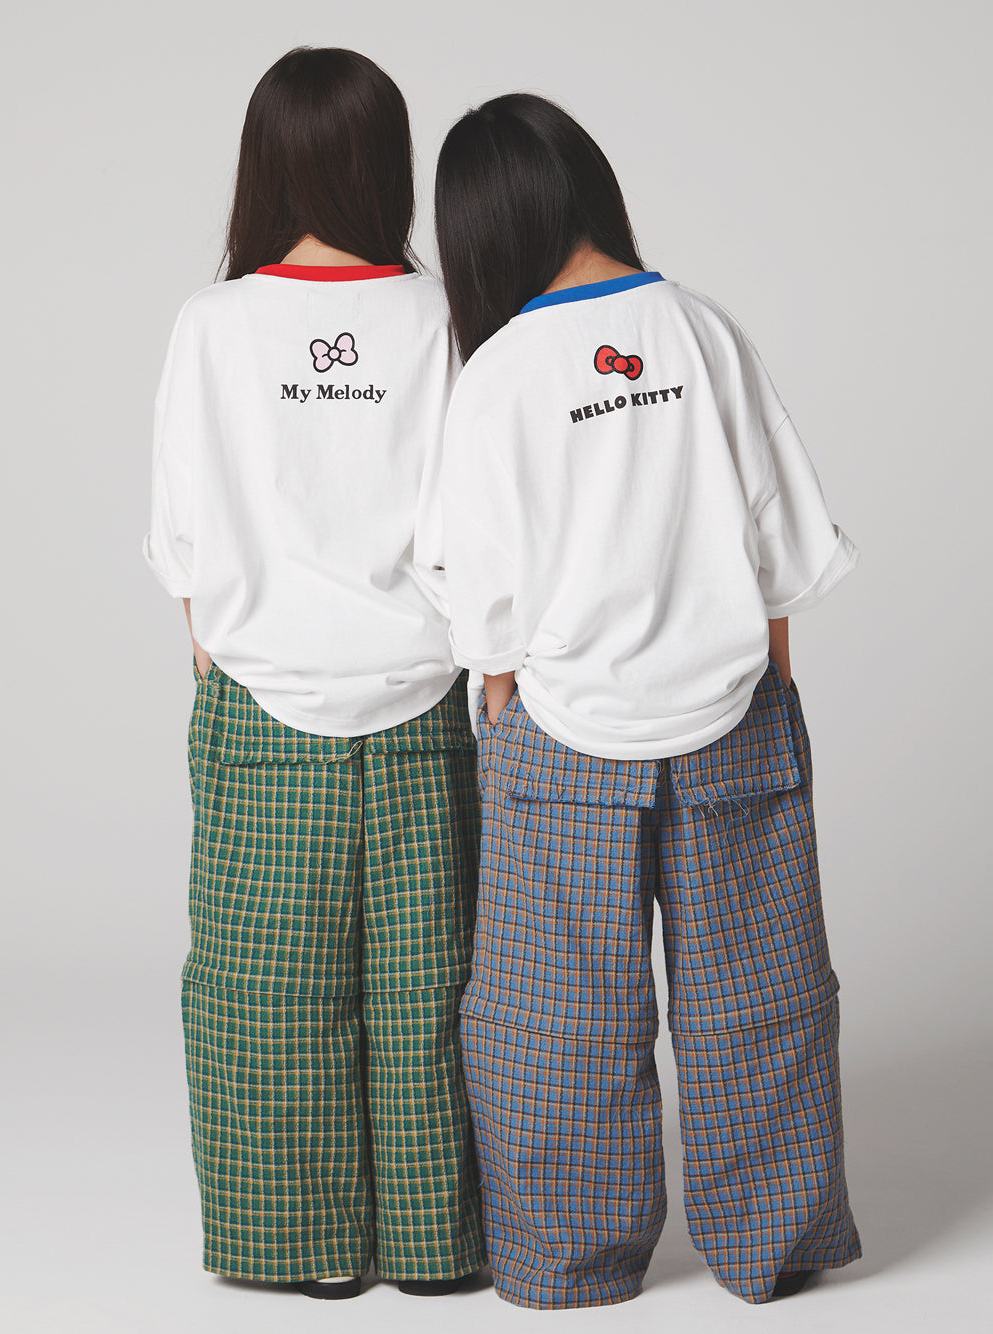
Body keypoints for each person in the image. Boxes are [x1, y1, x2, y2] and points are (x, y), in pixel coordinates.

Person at [435, 92, 862, 1310]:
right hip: (733, 711)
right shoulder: (703, 329)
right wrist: (771, 681)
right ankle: (773, 1247)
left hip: (561, 733)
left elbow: (481, 596)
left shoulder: (499, 372)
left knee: (553, 1019)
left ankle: (568, 1260)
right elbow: (779, 539)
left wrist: (500, 700)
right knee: (760, 997)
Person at [143, 47, 484, 1301]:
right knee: (433, 990)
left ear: (262, 165)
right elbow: (476, 516)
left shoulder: (213, 323)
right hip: (425, 698)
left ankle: (304, 1248)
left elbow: (182, 530)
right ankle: (439, 1245)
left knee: (264, 993)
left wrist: (215, 637)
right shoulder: (443, 317)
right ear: (387, 163)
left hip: (261, 698)